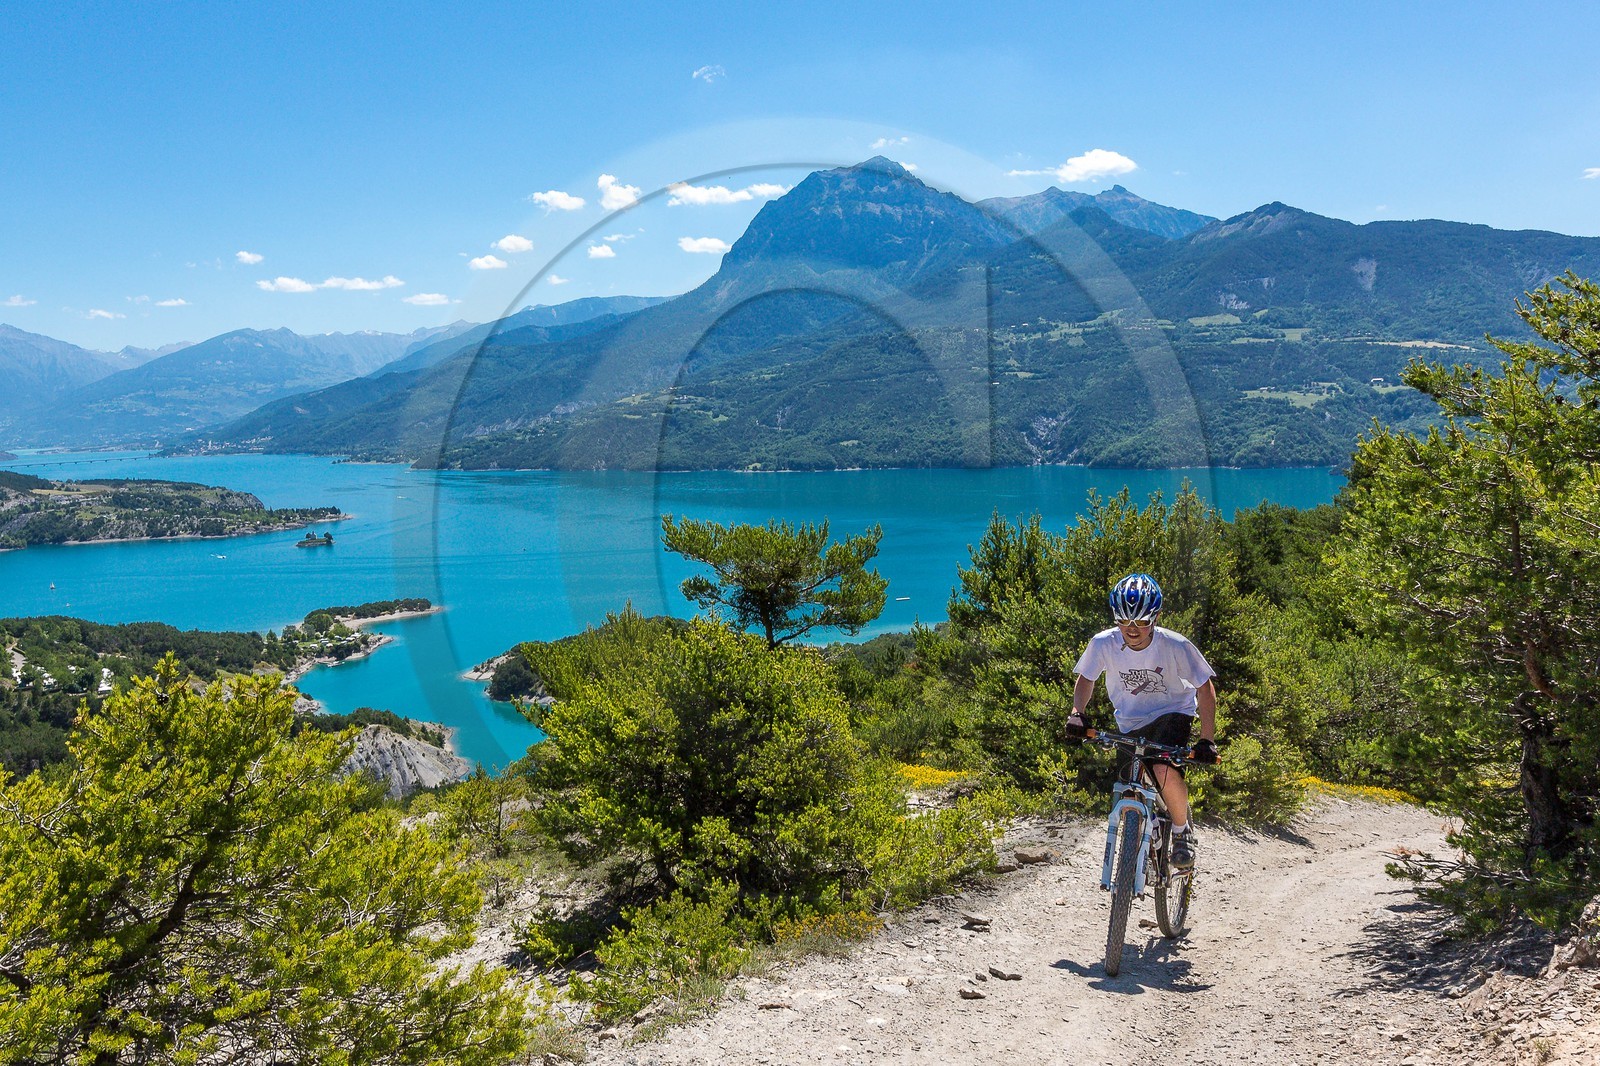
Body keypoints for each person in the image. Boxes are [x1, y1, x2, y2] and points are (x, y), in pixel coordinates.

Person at [1065, 573, 1218, 869]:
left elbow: (1205, 687)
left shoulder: (1176, 645)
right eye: (1124, 620)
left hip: (1173, 712)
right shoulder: (1103, 644)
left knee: (1161, 768)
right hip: (1130, 721)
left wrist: (1206, 740)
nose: (1132, 629)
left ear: (1156, 617)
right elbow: (1086, 679)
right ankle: (1142, 844)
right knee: (1130, 783)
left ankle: (1180, 829)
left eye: (1141, 621)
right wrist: (1077, 713)